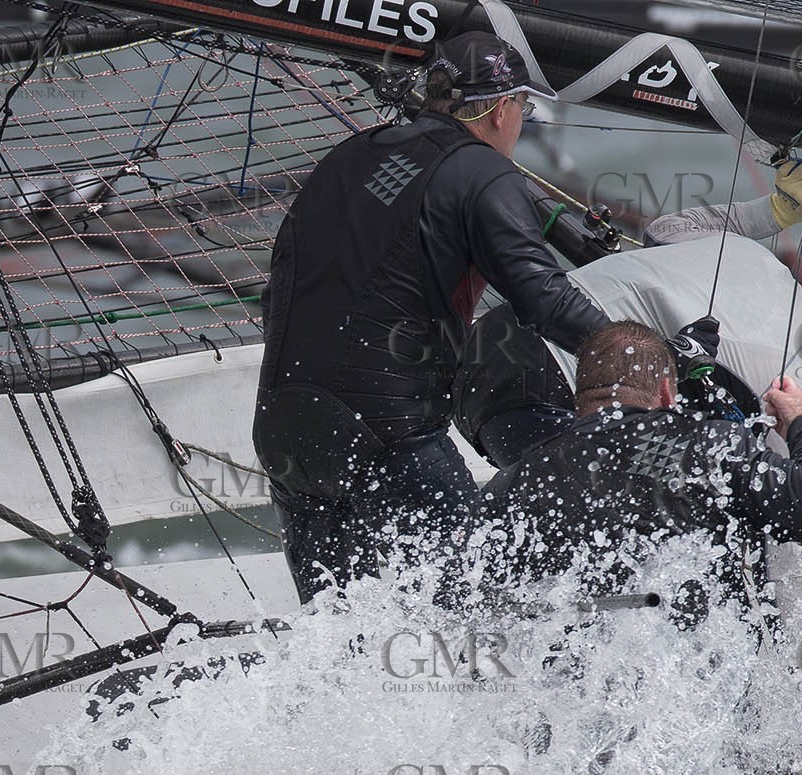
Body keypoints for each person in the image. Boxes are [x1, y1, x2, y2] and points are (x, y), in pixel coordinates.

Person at [252, 31, 611, 602]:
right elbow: (544, 300)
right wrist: (645, 351)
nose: (520, 122)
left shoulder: (351, 153)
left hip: (284, 428)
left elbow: (276, 294)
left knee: (336, 632)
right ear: (500, 109)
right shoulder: (483, 172)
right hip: (386, 436)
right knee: (482, 611)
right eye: (523, 107)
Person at [455, 160, 802, 467]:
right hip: (541, 387)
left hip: (489, 337)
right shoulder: (785, 382)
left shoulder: (755, 257)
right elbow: (783, 498)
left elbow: (666, 230)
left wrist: (772, 213)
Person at [481, 320, 802, 613]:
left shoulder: (517, 478)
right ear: (668, 393)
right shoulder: (708, 447)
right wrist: (800, 422)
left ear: (579, 397)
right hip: (690, 665)